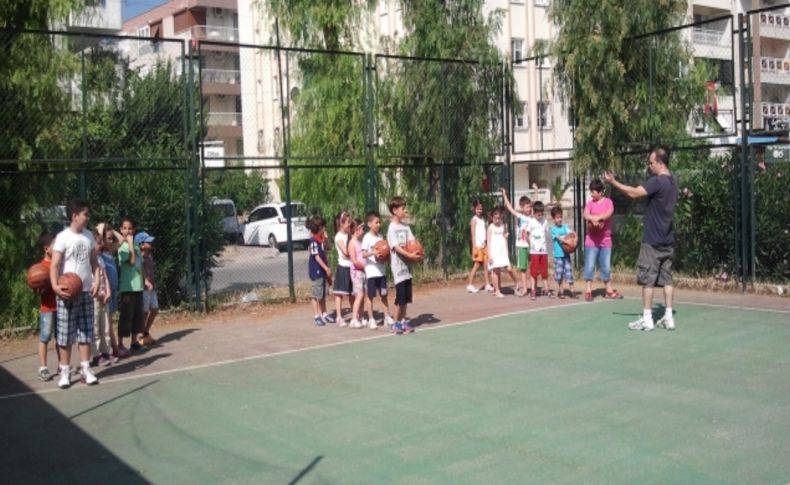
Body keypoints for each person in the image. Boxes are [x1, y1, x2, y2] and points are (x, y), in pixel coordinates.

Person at [604, 146, 678, 331]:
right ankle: (668, 317)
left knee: (648, 280)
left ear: (660, 163)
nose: (649, 165)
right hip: (667, 241)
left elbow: (634, 193)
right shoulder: (673, 182)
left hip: (652, 241)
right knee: (667, 280)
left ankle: (647, 319)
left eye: (651, 162)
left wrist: (614, 182)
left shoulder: (658, 181)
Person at [49, 198, 99, 389]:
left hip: (86, 291)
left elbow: (94, 263)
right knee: (65, 334)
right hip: (67, 293)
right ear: (74, 216)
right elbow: (54, 266)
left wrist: (97, 281)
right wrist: (55, 286)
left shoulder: (89, 236)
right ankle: (64, 371)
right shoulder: (63, 237)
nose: (88, 218)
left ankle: (86, 369)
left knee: (86, 332)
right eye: (85, 214)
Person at [387, 196, 422, 334]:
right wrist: (409, 255)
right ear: (395, 210)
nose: (405, 210)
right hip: (398, 268)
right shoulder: (392, 228)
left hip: (407, 267)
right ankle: (395, 323)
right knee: (400, 296)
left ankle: (403, 321)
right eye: (403, 208)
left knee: (407, 297)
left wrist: (418, 254)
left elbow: (412, 243)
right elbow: (396, 247)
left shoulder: (406, 227)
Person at [582, 179, 621, 301]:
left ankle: (608, 290)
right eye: (591, 192)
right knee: (590, 265)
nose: (592, 194)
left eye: (593, 192)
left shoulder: (608, 202)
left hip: (605, 240)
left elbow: (609, 213)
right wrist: (592, 219)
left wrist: (598, 218)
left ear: (600, 192)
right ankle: (588, 290)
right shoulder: (590, 204)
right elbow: (585, 214)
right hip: (591, 241)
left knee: (606, 266)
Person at [361, 211, 394, 330]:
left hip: (381, 272)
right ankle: (371, 319)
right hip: (371, 273)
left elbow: (385, 253)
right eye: (376, 222)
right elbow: (363, 254)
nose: (378, 224)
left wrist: (387, 258)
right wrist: (373, 253)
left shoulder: (380, 237)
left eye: (379, 222)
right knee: (370, 296)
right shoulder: (367, 237)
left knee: (384, 295)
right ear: (369, 224)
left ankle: (386, 317)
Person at [117, 216, 144, 355]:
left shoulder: (137, 246)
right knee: (126, 315)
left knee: (137, 315)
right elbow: (132, 261)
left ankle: (134, 340)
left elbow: (139, 265)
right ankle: (120, 343)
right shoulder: (123, 247)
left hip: (138, 286)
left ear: (133, 230)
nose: (127, 231)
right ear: (121, 230)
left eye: (130, 228)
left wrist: (145, 280)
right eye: (125, 228)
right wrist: (130, 244)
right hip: (128, 287)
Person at [34, 233, 57, 381]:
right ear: (46, 248)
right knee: (45, 337)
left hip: (60, 307)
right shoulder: (40, 269)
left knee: (61, 338)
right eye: (55, 245)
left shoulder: (58, 265)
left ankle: (63, 365)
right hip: (47, 308)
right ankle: (43, 367)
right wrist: (39, 288)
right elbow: (37, 289)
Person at [97, 223, 121, 363]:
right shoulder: (99, 253)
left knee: (109, 321)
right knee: (106, 323)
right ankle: (112, 349)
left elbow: (122, 240)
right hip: (104, 292)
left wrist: (110, 229)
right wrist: (101, 231)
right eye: (109, 239)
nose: (112, 241)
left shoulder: (111, 251)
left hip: (112, 292)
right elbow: (98, 240)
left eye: (112, 239)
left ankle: (113, 348)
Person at [501, 188, 532, 296]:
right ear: (522, 208)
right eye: (527, 207)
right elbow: (510, 208)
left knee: (532, 268)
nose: (529, 208)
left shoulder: (532, 218)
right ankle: (524, 288)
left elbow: (537, 204)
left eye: (530, 206)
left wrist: (536, 191)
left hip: (532, 246)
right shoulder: (520, 216)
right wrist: (505, 195)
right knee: (523, 269)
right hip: (522, 246)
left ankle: (532, 287)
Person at [91, 225, 113, 366]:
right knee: (96, 327)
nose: (101, 245)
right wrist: (98, 293)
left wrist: (108, 291)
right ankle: (96, 355)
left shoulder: (101, 259)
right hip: (95, 298)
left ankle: (106, 351)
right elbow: (91, 281)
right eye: (98, 243)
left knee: (106, 326)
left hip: (105, 297)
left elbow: (105, 276)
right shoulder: (90, 261)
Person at [486, 206, 519, 298]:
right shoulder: (490, 228)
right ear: (492, 217)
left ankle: (516, 283)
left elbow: (504, 238)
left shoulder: (503, 226)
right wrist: (489, 255)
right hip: (494, 253)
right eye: (495, 218)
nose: (497, 220)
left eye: (499, 218)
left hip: (502, 252)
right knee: (495, 271)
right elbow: (488, 242)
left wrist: (507, 250)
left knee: (509, 269)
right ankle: (497, 290)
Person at [307, 215, 333, 326]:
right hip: (316, 271)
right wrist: (326, 268)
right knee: (316, 294)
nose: (325, 229)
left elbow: (329, 247)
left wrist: (326, 238)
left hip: (322, 271)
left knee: (322, 294)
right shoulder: (313, 241)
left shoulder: (321, 239)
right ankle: (317, 315)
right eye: (324, 227)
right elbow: (316, 257)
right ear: (319, 228)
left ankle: (324, 314)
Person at [332, 211, 354, 327]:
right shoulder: (338, 237)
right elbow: (346, 252)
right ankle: (339, 317)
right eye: (348, 222)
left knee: (352, 294)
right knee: (339, 294)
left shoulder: (349, 235)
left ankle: (356, 316)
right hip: (343, 268)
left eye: (350, 222)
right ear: (341, 223)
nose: (350, 225)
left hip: (352, 268)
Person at [549, 206, 577, 299]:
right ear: (553, 218)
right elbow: (559, 238)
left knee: (569, 272)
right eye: (557, 217)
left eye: (560, 217)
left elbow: (571, 232)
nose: (560, 219)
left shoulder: (565, 227)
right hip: (558, 256)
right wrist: (567, 241)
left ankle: (572, 290)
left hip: (566, 255)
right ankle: (561, 291)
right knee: (559, 273)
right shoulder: (553, 229)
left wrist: (575, 237)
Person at [465, 199, 492, 293]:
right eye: (477, 209)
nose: (479, 211)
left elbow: (484, 231)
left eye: (480, 209)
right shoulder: (473, 220)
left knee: (486, 266)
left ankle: (487, 284)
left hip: (484, 245)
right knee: (476, 265)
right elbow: (473, 235)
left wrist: (486, 242)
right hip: (477, 246)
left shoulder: (483, 219)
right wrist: (474, 248)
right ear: (474, 209)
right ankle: (469, 284)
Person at [525, 201, 550, 300]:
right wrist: (531, 244)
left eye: (541, 213)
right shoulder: (531, 221)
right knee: (534, 272)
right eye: (537, 214)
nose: (540, 216)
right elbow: (526, 234)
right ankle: (533, 290)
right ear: (534, 213)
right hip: (534, 252)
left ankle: (546, 289)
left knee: (544, 272)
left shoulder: (545, 221)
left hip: (543, 251)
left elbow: (548, 232)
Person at [137, 231, 158, 345]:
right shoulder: (139, 257)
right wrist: (146, 282)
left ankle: (145, 333)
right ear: (141, 244)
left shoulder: (149, 256)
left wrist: (152, 284)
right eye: (148, 241)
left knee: (154, 310)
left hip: (152, 288)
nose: (151, 243)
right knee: (144, 312)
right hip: (144, 288)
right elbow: (141, 271)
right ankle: (142, 336)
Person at [347, 218, 367, 329]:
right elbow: (354, 260)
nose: (363, 231)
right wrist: (364, 267)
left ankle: (361, 317)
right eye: (362, 229)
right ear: (356, 230)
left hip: (362, 272)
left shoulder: (360, 242)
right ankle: (354, 319)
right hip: (356, 272)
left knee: (362, 295)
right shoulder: (352, 243)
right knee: (359, 295)